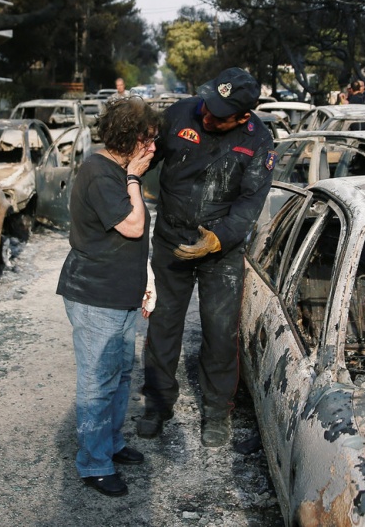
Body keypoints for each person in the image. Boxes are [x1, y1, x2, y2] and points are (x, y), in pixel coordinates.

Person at [137, 67, 276, 448]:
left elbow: (250, 203)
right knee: (163, 326)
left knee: (219, 333)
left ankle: (217, 412)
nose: (207, 115)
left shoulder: (259, 142)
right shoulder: (181, 113)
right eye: (208, 105)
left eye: (219, 113)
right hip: (170, 241)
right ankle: (158, 405)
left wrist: (217, 240)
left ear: (244, 115)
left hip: (221, 253)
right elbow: (145, 159)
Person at [57, 97, 161, 497]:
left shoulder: (115, 168)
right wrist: (135, 178)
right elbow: (133, 227)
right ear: (126, 139)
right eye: (147, 140)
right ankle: (94, 464)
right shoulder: (103, 174)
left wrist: (145, 279)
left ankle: (111, 445)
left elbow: (132, 244)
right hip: (95, 294)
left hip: (120, 293)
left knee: (119, 377)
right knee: (99, 382)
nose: (153, 148)